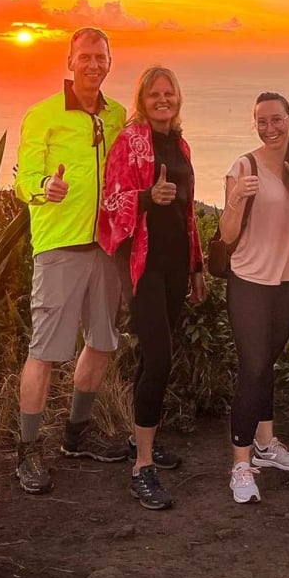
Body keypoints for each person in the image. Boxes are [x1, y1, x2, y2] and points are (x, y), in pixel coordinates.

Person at [12, 26, 130, 495]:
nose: (93, 64)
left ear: (109, 62)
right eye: (85, 57)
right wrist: (46, 188)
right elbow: (24, 179)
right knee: (44, 351)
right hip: (59, 246)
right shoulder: (43, 115)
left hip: (107, 247)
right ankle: (27, 449)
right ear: (69, 61)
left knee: (101, 342)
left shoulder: (118, 114)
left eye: (101, 57)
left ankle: (76, 436)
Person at [100, 66, 206, 511]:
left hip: (176, 265)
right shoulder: (131, 142)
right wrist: (147, 198)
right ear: (142, 101)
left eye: (170, 93)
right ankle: (142, 467)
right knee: (159, 359)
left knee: (154, 358)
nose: (163, 100)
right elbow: (109, 200)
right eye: (154, 94)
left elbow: (187, 213)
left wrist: (198, 266)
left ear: (178, 99)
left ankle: (142, 439)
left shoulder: (179, 145)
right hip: (143, 267)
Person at [218, 92, 289, 504]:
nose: (270, 127)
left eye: (277, 119)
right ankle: (241, 463)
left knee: (267, 365)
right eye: (262, 121)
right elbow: (225, 235)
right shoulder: (244, 166)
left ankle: (265, 442)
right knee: (253, 367)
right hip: (250, 280)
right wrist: (238, 195)